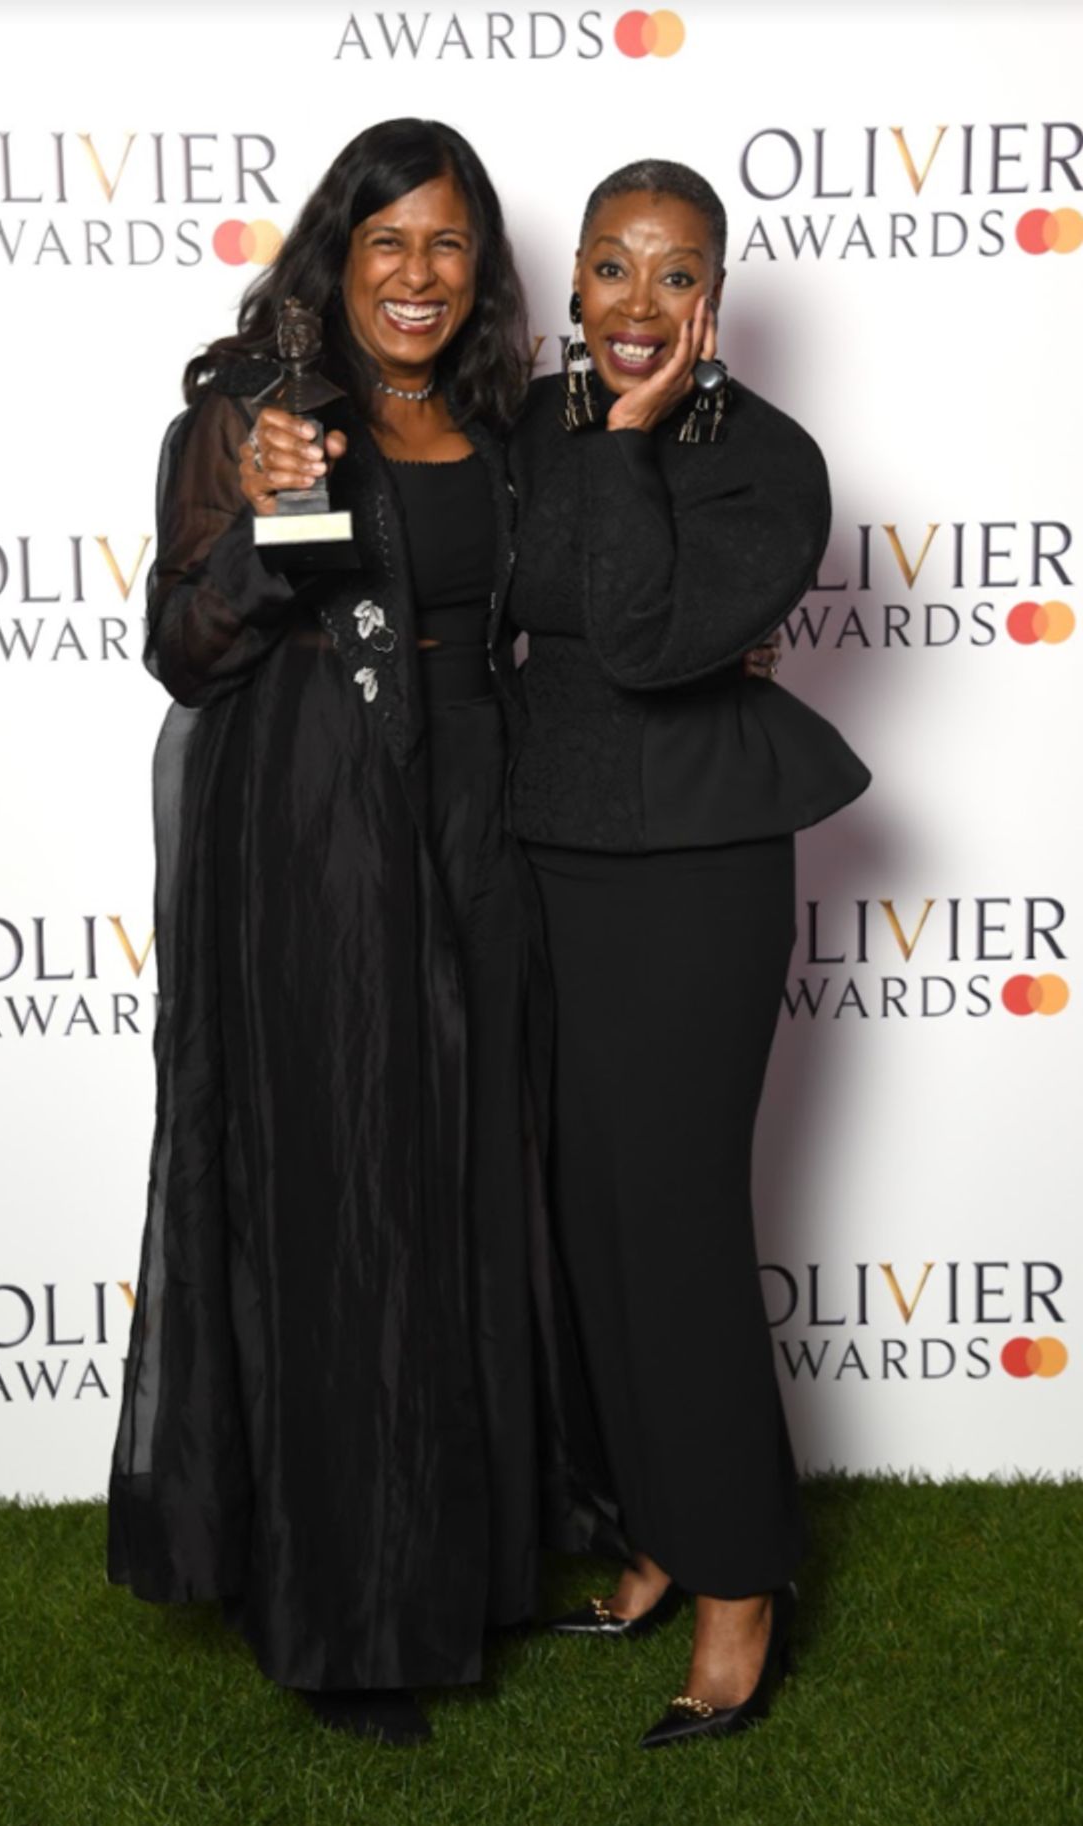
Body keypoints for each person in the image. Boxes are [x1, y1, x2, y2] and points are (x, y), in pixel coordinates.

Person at [108, 118, 559, 1749]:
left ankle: (473, 1559)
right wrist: (255, 519)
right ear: (336, 253)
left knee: (461, 1185)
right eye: (389, 245)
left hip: (475, 827)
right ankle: (343, 1612)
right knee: (344, 1194)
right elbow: (180, 640)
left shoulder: (502, 421)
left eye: (449, 245)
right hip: (313, 836)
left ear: (480, 267)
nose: (419, 277)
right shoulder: (252, 409)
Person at [502, 160, 870, 1748]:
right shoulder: (525, 430)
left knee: (679, 1223)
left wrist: (635, 443)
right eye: (608, 269)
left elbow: (642, 636)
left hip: (697, 867)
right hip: (544, 855)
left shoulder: (771, 462)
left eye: (672, 275)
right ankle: (650, 1526)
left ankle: (739, 1583)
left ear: (713, 296)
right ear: (572, 284)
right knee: (584, 1212)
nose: (636, 306)